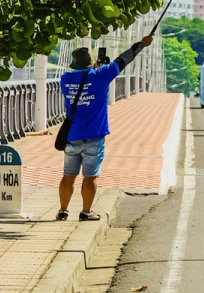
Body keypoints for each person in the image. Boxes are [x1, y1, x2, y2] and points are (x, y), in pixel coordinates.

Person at [55, 32, 156, 221]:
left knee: (68, 174)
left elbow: (83, 78)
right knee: (90, 176)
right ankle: (86, 212)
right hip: (94, 135)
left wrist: (93, 69)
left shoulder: (65, 79)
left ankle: (62, 210)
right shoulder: (100, 76)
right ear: (90, 63)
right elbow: (123, 60)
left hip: (72, 135)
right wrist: (141, 44)